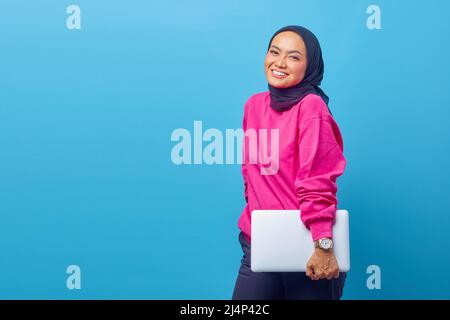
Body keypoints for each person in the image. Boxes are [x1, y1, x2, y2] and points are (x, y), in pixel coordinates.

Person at [232, 25, 347, 300]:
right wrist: (256, 220)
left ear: (310, 66)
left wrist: (322, 245)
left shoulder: (311, 107)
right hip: (260, 243)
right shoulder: (254, 106)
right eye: (274, 52)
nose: (280, 63)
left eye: (294, 57)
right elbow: (251, 172)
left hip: (309, 248)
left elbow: (317, 178)